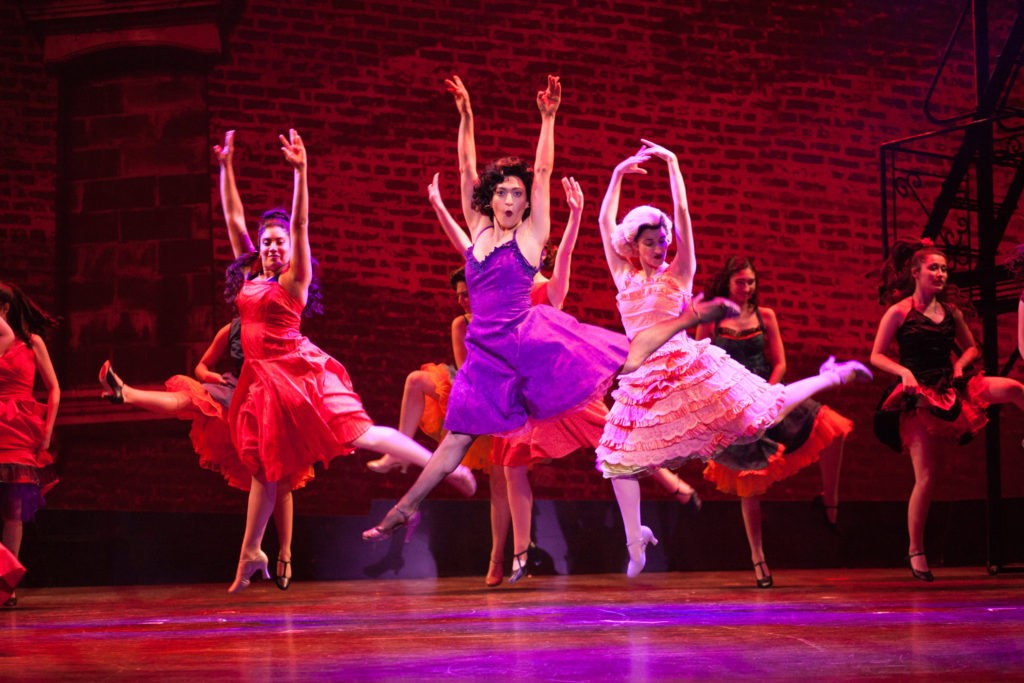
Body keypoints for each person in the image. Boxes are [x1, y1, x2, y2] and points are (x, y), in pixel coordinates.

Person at [362, 76, 629, 591]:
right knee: (457, 439)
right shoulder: (479, 229)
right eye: (502, 192)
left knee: (611, 372)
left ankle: (672, 359)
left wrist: (548, 119)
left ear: (527, 204)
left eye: (518, 194)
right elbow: (466, 167)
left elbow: (545, 168)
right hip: (484, 356)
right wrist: (465, 116)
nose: (510, 199)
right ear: (492, 198)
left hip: (525, 346)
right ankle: (403, 509)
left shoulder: (532, 235)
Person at [595, 142, 872, 578]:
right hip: (644, 378)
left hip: (688, 367)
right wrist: (617, 174)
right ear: (633, 245)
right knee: (616, 459)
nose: (659, 248)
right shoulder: (623, 275)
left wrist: (673, 164)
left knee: (763, 411)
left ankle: (830, 378)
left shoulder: (679, 273)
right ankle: (636, 540)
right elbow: (602, 222)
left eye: (662, 241)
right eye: (650, 243)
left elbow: (683, 216)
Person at [213, 128, 467, 593]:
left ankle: (442, 462)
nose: (271, 247)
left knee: (360, 433)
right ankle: (251, 550)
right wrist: (226, 167)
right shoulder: (250, 274)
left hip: (297, 375)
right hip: (264, 384)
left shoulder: (294, 281)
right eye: (265, 241)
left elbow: (301, 225)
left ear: (288, 251)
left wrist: (301, 172)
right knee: (266, 468)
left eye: (278, 242)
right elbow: (233, 218)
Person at [871, 238, 1024, 581]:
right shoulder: (899, 311)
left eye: (943, 269)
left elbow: (973, 349)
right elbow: (876, 354)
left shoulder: (950, 312)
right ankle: (915, 549)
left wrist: (960, 365)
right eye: (933, 268)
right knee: (926, 477)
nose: (940, 273)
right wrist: (904, 372)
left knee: (1014, 388)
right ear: (916, 272)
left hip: (952, 387)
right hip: (918, 396)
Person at [696, 257, 853, 587]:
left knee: (832, 426)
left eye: (751, 281)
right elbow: (700, 363)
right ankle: (758, 558)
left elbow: (780, 362)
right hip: (732, 403)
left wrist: (767, 394)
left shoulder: (765, 316)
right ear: (728, 284)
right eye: (741, 282)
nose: (747, 288)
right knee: (750, 481)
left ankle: (829, 499)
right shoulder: (713, 318)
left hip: (767, 393)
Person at [364, 268, 492, 476]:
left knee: (500, 479)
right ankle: (399, 450)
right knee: (416, 379)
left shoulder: (502, 319)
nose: (461, 300)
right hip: (471, 386)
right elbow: (464, 369)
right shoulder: (462, 323)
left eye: (466, 294)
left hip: (499, 391)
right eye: (458, 295)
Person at [0, 281, 60, 608]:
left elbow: (53, 387)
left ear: (6, 309)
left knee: (13, 509)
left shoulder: (31, 342)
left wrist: (48, 428)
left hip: (20, 426)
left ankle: (6, 585)